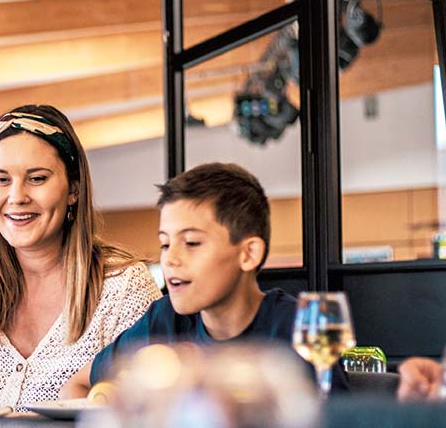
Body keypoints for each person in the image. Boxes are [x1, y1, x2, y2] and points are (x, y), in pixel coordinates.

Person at [0, 105, 160, 408]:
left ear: (74, 189)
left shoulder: (124, 287)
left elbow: (148, 412)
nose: (17, 197)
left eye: (37, 178)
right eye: (1, 180)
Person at [60, 162, 348, 398]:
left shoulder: (307, 325)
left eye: (192, 243)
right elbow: (78, 384)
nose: (170, 259)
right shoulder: (162, 322)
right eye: (164, 244)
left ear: (248, 254)